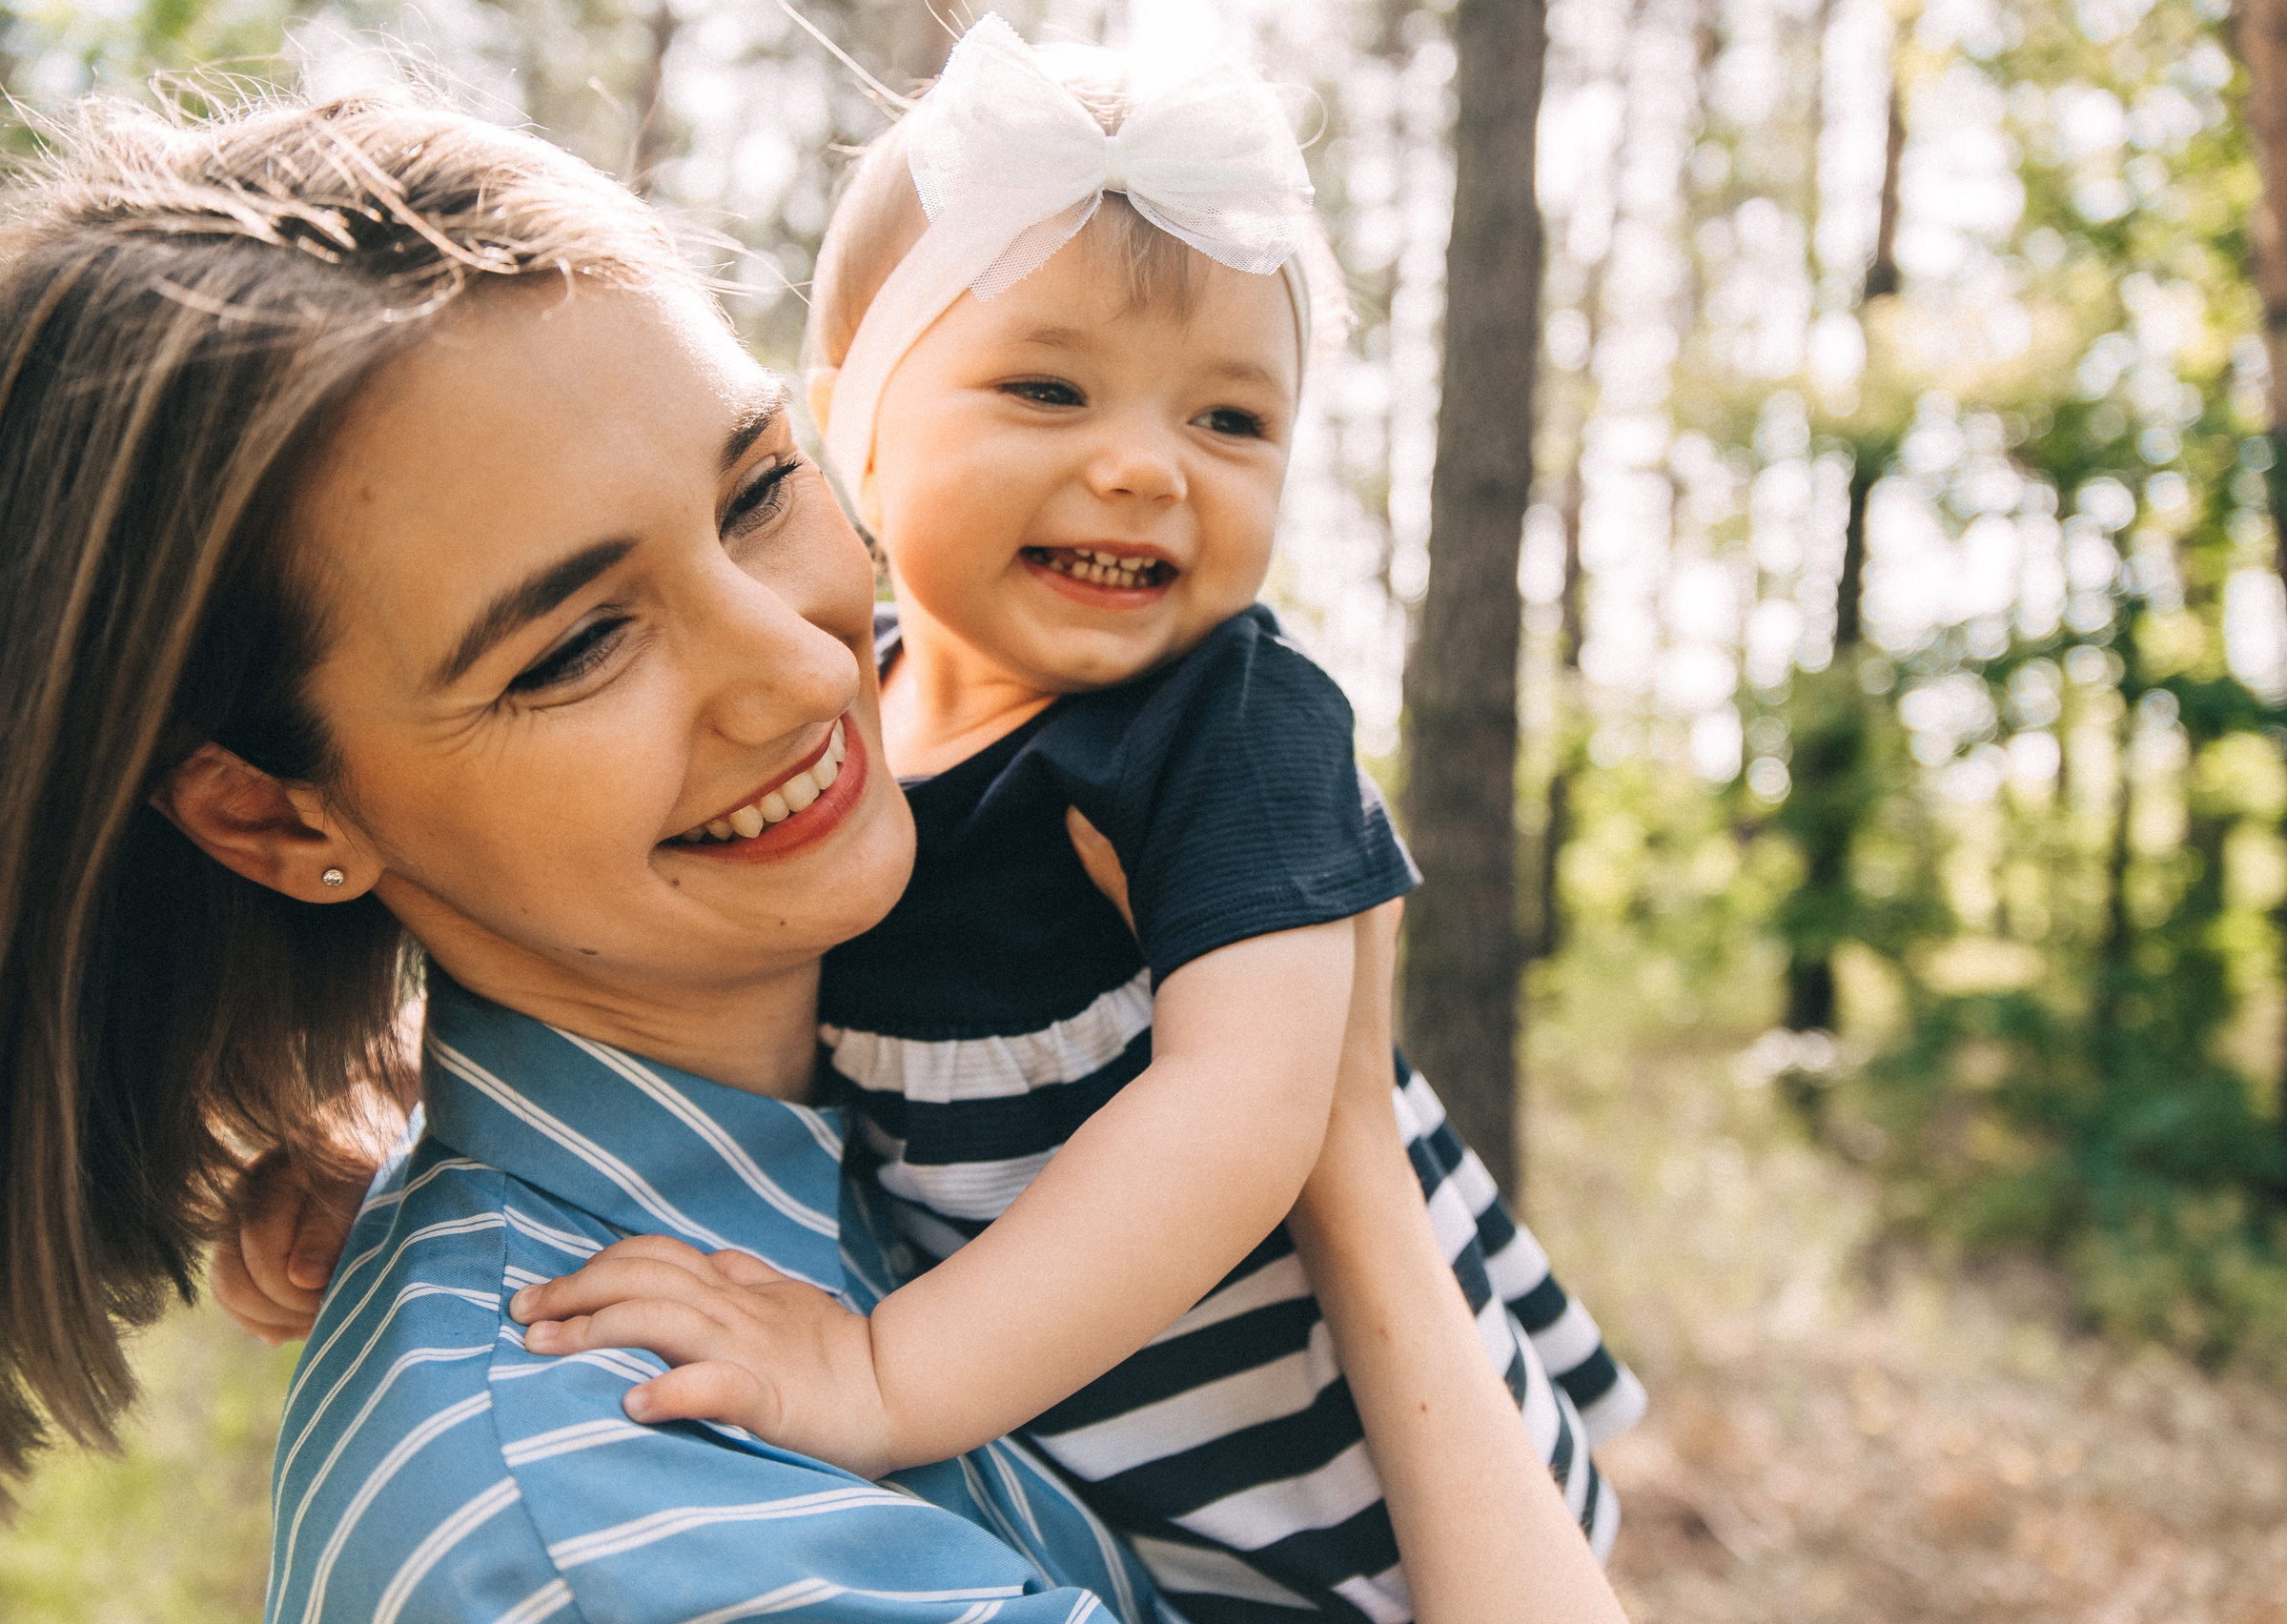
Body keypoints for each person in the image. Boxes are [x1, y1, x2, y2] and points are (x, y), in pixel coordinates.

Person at [0, 92, 1625, 1624]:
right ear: (281, 819)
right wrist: (1342, 1154)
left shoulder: (795, 1080)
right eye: (577, 646)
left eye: (762, 488)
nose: (807, 669)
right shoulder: (606, 1515)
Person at [493, 18, 1643, 1622]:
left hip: (1349, 1494)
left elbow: (1246, 1121)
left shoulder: (1228, 723)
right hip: (1117, 1494)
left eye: (1230, 421)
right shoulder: (835, 724)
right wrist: (370, 1139)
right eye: (1049, 388)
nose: (1143, 470)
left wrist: (882, 1378)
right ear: (857, 426)